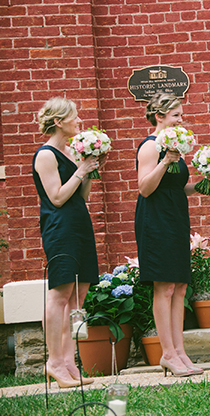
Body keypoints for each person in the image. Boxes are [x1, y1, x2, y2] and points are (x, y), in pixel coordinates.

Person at [135, 92, 210, 377]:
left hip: (176, 218)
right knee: (164, 287)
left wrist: (203, 184)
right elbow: (145, 188)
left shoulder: (176, 148)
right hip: (155, 221)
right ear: (160, 116)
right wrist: (165, 161)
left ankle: (181, 351)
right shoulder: (149, 148)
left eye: (181, 115)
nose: (182, 120)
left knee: (180, 288)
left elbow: (177, 187)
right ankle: (167, 353)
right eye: (176, 116)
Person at [32, 98, 102, 388]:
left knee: (78, 296)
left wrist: (91, 169)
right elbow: (57, 197)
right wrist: (81, 170)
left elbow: (80, 196)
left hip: (80, 225)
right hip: (59, 229)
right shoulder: (46, 155)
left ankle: (69, 361)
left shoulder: (71, 153)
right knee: (59, 296)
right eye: (74, 117)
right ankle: (54, 362)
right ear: (59, 121)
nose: (79, 121)